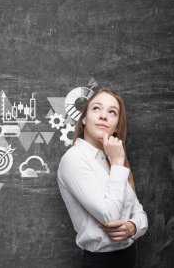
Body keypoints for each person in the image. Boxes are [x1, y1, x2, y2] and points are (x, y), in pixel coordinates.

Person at [57, 88, 148, 268]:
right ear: (84, 119)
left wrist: (133, 227)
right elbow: (110, 216)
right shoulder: (74, 159)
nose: (104, 116)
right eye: (96, 108)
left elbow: (140, 213)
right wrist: (117, 163)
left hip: (128, 257)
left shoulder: (112, 160)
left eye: (112, 112)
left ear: (117, 126)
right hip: (100, 262)